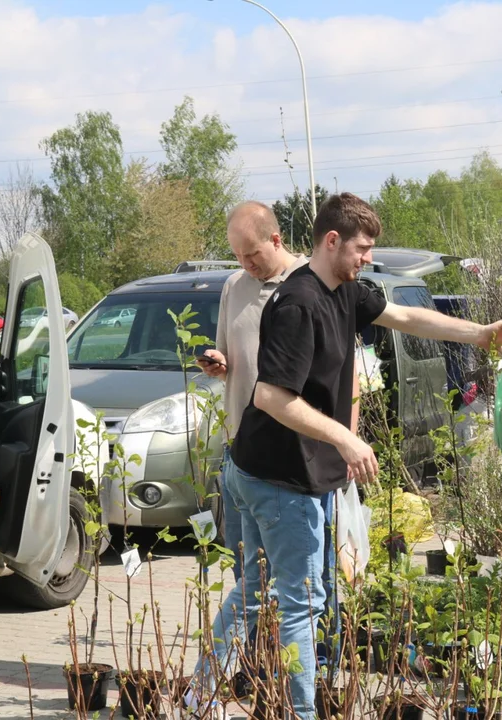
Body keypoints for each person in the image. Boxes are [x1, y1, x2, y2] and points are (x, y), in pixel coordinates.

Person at [197, 193, 502, 719]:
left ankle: (198, 691)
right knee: (303, 602)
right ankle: (298, 713)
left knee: (258, 592)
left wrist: (478, 334)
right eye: (362, 248)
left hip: (265, 468)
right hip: (278, 475)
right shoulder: (298, 303)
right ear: (332, 241)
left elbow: (409, 317)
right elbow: (270, 396)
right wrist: (346, 438)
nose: (368, 257)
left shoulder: (344, 291)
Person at [195, 201, 355, 672]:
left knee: (307, 584)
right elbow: (230, 356)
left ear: (277, 241)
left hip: (299, 463)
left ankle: (318, 669)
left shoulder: (311, 287)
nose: (246, 264)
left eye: (252, 255)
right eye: (239, 256)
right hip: (243, 455)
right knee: (253, 579)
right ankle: (238, 676)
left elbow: (347, 378)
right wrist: (217, 363)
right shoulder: (233, 288)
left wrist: (347, 442)